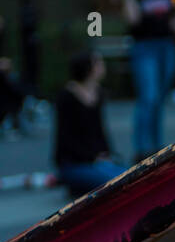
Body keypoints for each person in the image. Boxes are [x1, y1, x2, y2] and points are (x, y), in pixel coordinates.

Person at [119, 0, 175, 161]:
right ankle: (141, 149)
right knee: (148, 97)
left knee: (159, 99)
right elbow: (132, 19)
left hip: (166, 46)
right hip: (144, 48)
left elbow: (172, 16)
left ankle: (156, 146)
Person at [54, 50, 126, 198]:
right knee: (115, 183)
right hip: (74, 162)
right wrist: (92, 157)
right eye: (98, 63)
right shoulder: (67, 97)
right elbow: (65, 138)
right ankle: (76, 184)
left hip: (96, 160)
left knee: (128, 175)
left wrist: (107, 153)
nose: (102, 66)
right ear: (88, 68)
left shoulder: (98, 93)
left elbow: (100, 130)